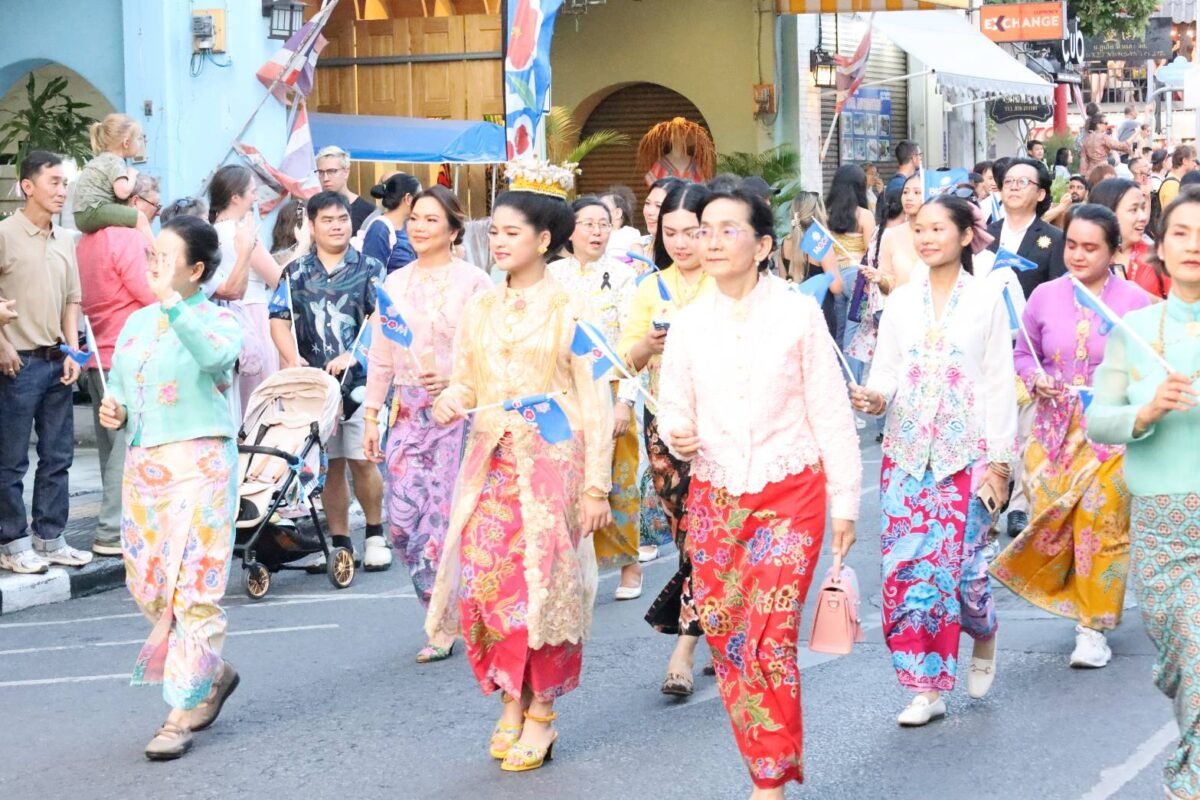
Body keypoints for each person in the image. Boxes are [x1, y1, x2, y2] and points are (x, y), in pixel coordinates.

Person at [657, 188, 860, 797]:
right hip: (716, 497)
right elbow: (672, 406)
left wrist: (845, 503)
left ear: (763, 244)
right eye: (704, 230)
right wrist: (678, 433)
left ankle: (768, 783)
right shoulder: (689, 323)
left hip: (790, 494)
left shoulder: (797, 314)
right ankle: (769, 761)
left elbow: (831, 413)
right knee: (727, 636)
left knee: (769, 638)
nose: (711, 241)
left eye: (728, 230)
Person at [426, 161, 614, 773]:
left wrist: (596, 486)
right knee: (489, 587)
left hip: (553, 465)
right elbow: (464, 381)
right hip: (490, 464)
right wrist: (449, 399)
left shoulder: (573, 307)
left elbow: (596, 398)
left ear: (543, 239)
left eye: (512, 233)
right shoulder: (481, 307)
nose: (500, 242)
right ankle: (510, 698)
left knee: (546, 590)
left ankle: (542, 713)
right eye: (496, 232)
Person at [851, 194, 1016, 726]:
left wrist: (1001, 464)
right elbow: (887, 369)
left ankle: (984, 628)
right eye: (919, 229)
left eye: (938, 228)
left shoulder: (987, 299)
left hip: (965, 458)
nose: (925, 238)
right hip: (905, 455)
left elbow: (999, 383)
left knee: (963, 576)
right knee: (908, 574)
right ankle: (925, 687)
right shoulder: (900, 301)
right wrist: (875, 396)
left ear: (965, 236)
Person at [97, 214, 243, 760]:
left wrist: (173, 305)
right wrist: (114, 409)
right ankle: (212, 670)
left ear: (195, 270)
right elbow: (120, 385)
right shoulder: (137, 323)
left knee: (195, 587)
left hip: (201, 464)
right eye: (151, 254)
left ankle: (180, 712)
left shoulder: (218, 320)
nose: (153, 264)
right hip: (145, 468)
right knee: (149, 586)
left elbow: (214, 358)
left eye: (164, 257)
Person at [991, 205, 1150, 670]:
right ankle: (1080, 601)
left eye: (1090, 247)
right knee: (1057, 523)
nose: (1078, 255)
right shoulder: (1044, 296)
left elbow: (1149, 365)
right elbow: (1024, 353)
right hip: (1053, 433)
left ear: (1113, 251)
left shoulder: (1135, 303)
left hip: (1111, 433)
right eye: (1072, 245)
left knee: (1101, 525)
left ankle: (1093, 627)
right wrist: (1034, 377)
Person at [1085, 187, 1200, 800]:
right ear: (1160, 243)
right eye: (1182, 232)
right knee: (1187, 659)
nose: (1194, 245)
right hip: (1163, 528)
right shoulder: (1132, 330)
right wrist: (1147, 411)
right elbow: (1099, 421)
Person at [362, 185, 491, 662]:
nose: (418, 227)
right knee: (401, 523)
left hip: (457, 413)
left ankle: (443, 622)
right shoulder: (394, 284)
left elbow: (489, 351)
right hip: (407, 412)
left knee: (443, 520)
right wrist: (371, 415)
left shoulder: (475, 284)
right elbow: (381, 355)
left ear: (454, 230)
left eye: (431, 220)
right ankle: (441, 604)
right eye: (414, 218)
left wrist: (456, 376)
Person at [621, 182, 716, 697]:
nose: (681, 243)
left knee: (708, 537)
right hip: (665, 429)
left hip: (722, 430)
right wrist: (647, 344)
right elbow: (625, 362)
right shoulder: (649, 289)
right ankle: (720, 625)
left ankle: (685, 648)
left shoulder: (727, 284)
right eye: (671, 232)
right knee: (689, 538)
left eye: (692, 232)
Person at [269, 191, 390, 571]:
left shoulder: (370, 267)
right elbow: (278, 319)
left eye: (342, 219)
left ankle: (375, 534)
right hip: (314, 386)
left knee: (361, 460)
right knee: (330, 464)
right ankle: (340, 542)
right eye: (328, 220)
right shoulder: (295, 272)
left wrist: (355, 354)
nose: (337, 226)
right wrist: (292, 358)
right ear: (312, 225)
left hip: (361, 382)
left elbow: (380, 318)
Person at [0, 151, 91, 574]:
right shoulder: (4, 234)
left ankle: (50, 539)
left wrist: (72, 351)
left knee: (57, 457)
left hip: (57, 362)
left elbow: (72, 300)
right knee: (12, 460)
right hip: (16, 364)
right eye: (53, 182)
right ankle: (12, 543)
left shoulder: (65, 239)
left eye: (64, 183)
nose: (61, 190)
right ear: (27, 186)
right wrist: (2, 345)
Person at [549, 197, 642, 597]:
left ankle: (629, 565)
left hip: (610, 388)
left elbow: (634, 342)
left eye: (603, 223)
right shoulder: (551, 276)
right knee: (566, 481)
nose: (596, 231)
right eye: (587, 223)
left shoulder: (623, 276)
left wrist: (625, 401)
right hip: (565, 394)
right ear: (569, 230)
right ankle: (569, 568)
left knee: (618, 480)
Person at [76, 173, 160, 557]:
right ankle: (112, 530)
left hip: (98, 353)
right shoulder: (126, 238)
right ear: (133, 202)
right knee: (127, 446)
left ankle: (121, 526)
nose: (153, 214)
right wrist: (146, 235)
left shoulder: (85, 241)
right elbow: (154, 291)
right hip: (129, 353)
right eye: (152, 206)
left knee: (110, 447)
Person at [986, 157, 1065, 539]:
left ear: (1041, 193)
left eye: (1023, 182)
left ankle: (1019, 504)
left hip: (1029, 347)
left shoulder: (1052, 238)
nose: (1014, 187)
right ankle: (990, 496)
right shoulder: (984, 233)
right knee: (991, 422)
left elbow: (1058, 292)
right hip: (988, 342)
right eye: (1009, 181)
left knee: (1026, 426)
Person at [206, 165, 282, 413]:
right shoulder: (243, 234)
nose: (255, 197)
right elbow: (277, 278)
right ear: (235, 197)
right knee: (259, 397)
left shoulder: (209, 233)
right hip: (252, 313)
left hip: (220, 316)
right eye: (252, 191)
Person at [826, 164, 876, 383]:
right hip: (859, 279)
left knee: (839, 332)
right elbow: (871, 252)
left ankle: (837, 382)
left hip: (835, 277)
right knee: (854, 335)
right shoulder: (864, 215)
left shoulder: (827, 215)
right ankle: (852, 386)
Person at [72, 113, 155, 242]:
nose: (141, 142)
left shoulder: (102, 159)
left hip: (82, 214)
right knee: (139, 218)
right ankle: (156, 250)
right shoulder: (115, 161)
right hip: (93, 211)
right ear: (126, 143)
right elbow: (123, 192)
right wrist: (131, 175)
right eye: (139, 138)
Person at [780, 191, 842, 333]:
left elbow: (784, 284)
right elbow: (836, 287)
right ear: (819, 213)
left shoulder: (785, 243)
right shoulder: (820, 243)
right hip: (820, 316)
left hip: (794, 317)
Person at [1090, 178, 1161, 297]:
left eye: (1143, 208)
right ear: (1108, 213)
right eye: (1133, 210)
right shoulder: (1084, 257)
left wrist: (1145, 299)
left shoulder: (1158, 256)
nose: (1143, 217)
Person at [362, 172, 420, 273]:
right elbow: (371, 275)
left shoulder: (408, 226)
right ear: (408, 199)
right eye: (419, 196)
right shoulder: (379, 228)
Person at [315, 145, 377, 235]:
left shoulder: (367, 211)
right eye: (320, 172)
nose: (325, 178)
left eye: (331, 171)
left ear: (346, 172)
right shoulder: (313, 208)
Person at [877, 172, 923, 292]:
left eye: (917, 192)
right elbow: (889, 283)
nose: (909, 197)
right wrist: (881, 281)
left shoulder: (942, 235)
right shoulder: (890, 235)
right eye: (905, 192)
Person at [599, 186, 644, 256]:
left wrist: (637, 261)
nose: (597, 211)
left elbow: (638, 254)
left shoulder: (629, 233)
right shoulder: (597, 233)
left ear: (617, 213)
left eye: (603, 207)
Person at [642, 177, 682, 249]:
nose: (649, 212)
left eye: (658, 206)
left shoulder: (682, 250)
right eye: (647, 203)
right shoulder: (637, 244)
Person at [1157, 145, 1197, 209]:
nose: (1195, 164)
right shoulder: (1172, 185)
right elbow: (1172, 213)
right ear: (1185, 161)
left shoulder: (1176, 182)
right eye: (1193, 161)